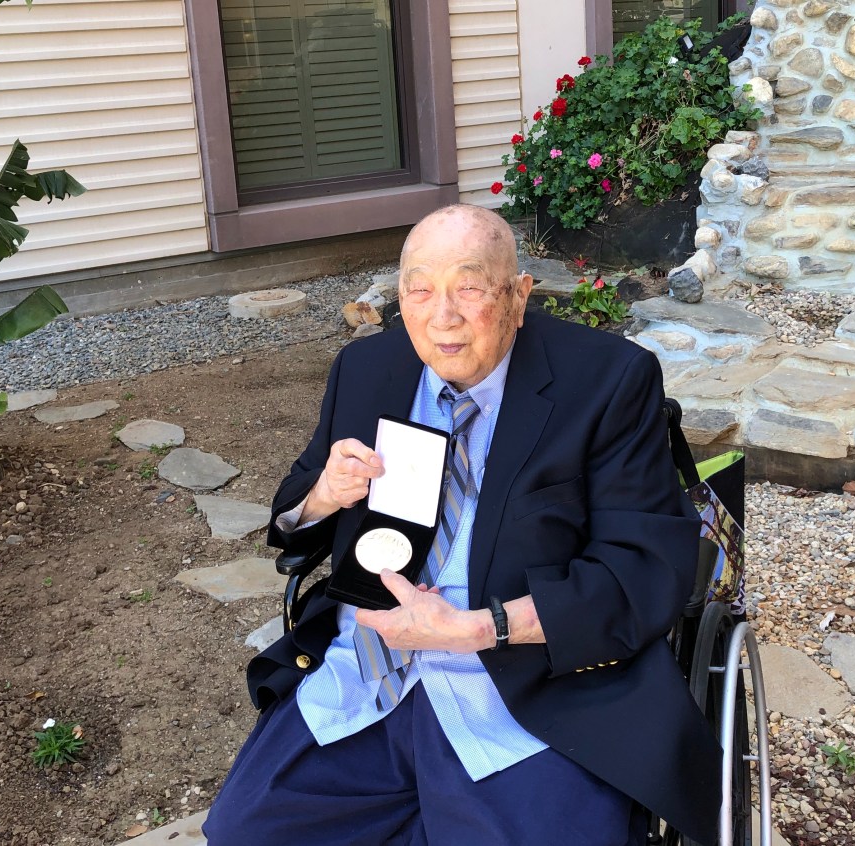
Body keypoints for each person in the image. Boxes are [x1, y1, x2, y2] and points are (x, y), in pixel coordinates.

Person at [203, 204, 721, 846]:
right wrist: (323, 496)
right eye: (420, 290)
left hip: (526, 683)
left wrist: (482, 628)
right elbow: (292, 520)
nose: (441, 316)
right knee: (243, 832)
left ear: (519, 294)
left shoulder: (608, 380)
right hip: (370, 669)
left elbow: (640, 569)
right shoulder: (367, 372)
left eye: (469, 288)